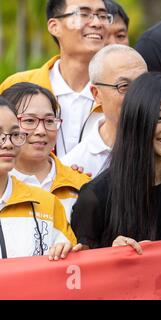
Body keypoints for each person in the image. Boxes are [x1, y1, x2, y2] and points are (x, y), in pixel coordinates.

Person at [71, 72, 161, 253]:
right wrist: (109, 253)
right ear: (135, 120)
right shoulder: (96, 197)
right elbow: (81, 269)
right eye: (159, 118)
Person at [0, 0, 112, 157]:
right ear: (54, 26)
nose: (97, 23)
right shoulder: (16, 86)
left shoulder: (118, 90)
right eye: (84, 14)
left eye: (103, 15)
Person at [0, 96, 78, 259]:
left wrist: (66, 252)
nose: (8, 143)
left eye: (14, 134)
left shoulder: (47, 203)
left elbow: (74, 269)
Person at [2, 82, 91, 222]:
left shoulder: (81, 185)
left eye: (49, 121)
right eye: (29, 120)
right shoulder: (3, 187)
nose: (41, 131)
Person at [61, 45, 148, 178]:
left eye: (143, 84)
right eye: (124, 86)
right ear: (96, 94)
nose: (137, 94)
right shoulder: (75, 167)